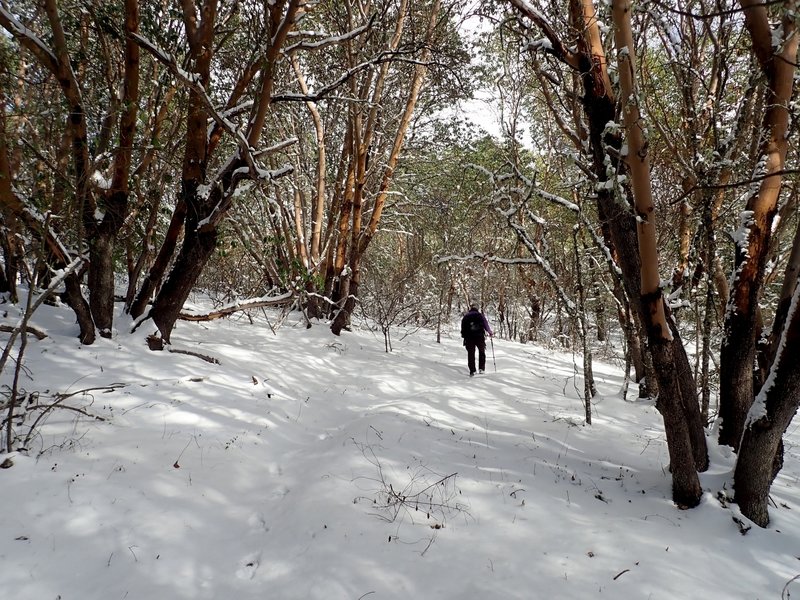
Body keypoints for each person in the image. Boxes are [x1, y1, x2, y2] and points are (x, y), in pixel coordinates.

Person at [460, 303, 493, 376]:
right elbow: (485, 325)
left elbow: (463, 327)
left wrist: (463, 335)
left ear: (470, 308)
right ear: (477, 308)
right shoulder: (480, 315)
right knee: (481, 351)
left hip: (469, 337)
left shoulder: (466, 316)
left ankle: (472, 370)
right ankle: (481, 368)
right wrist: (490, 332)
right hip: (479, 336)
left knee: (471, 353)